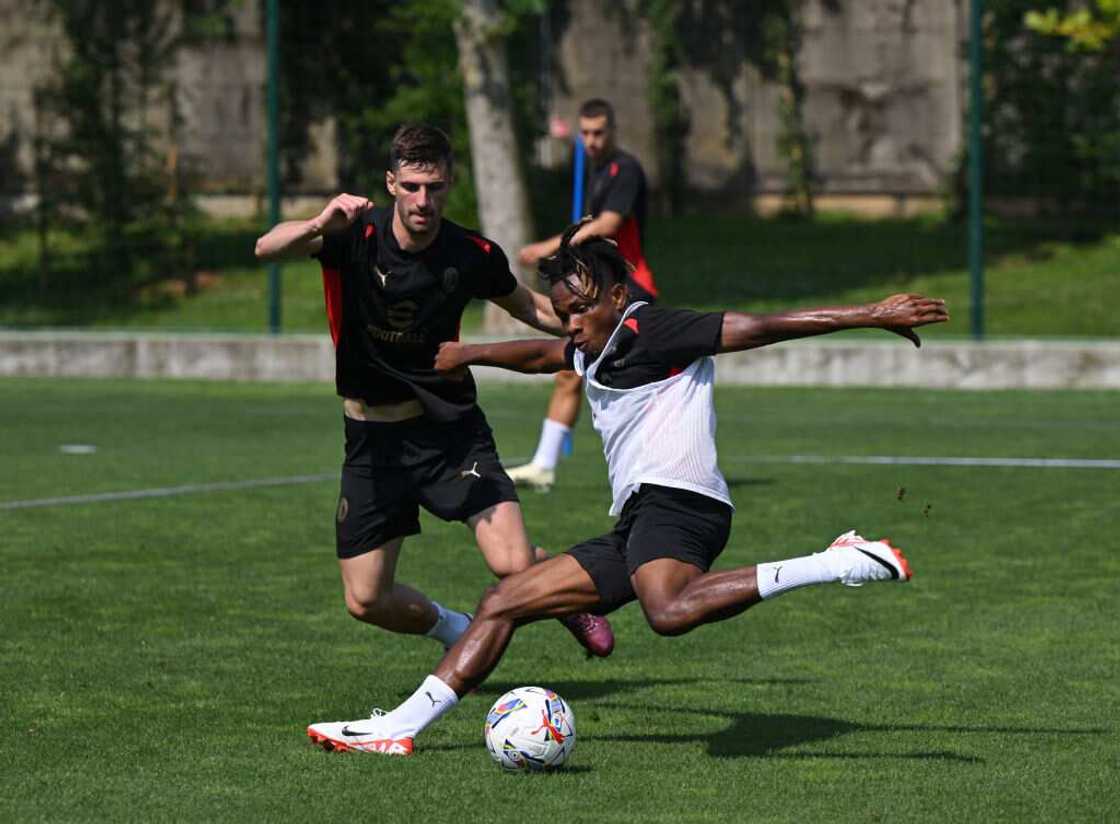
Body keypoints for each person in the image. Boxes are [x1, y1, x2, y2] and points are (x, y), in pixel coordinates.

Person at [305, 224, 950, 755]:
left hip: (685, 502)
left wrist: (868, 313)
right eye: (564, 313)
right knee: (504, 598)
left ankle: (835, 561)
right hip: (638, 518)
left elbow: (758, 326)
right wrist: (469, 353)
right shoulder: (592, 343)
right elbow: (544, 357)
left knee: (666, 611)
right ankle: (398, 730)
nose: (573, 322)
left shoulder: (654, 329)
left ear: (618, 293)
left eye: (584, 307)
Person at [253, 126, 614, 659]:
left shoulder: (469, 252)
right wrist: (318, 223)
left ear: (450, 184)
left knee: (512, 564)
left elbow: (528, 306)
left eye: (437, 187)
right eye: (415, 186)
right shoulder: (353, 234)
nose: (426, 200)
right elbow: (266, 248)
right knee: (366, 598)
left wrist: (591, 326)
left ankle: (569, 599)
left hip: (448, 430)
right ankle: (454, 629)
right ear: (392, 183)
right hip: (371, 441)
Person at [508, 98, 657, 492]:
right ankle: (543, 464)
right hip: (603, 291)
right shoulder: (598, 173)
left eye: (598, 133)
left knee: (630, 381)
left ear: (612, 132)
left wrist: (549, 248)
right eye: (585, 133)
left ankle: (651, 463)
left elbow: (608, 224)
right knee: (570, 370)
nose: (591, 141)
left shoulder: (625, 170)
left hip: (629, 289)